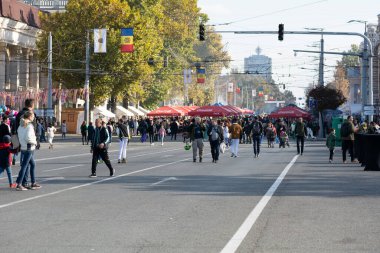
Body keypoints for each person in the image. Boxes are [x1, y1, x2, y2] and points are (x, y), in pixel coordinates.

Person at [15, 111, 40, 191]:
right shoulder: (29, 126)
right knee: (25, 166)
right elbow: (28, 137)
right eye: (32, 116)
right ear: (29, 117)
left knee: (32, 164)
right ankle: (19, 184)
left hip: (24, 147)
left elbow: (19, 136)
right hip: (29, 147)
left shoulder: (20, 126)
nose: (33, 117)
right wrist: (35, 142)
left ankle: (33, 182)